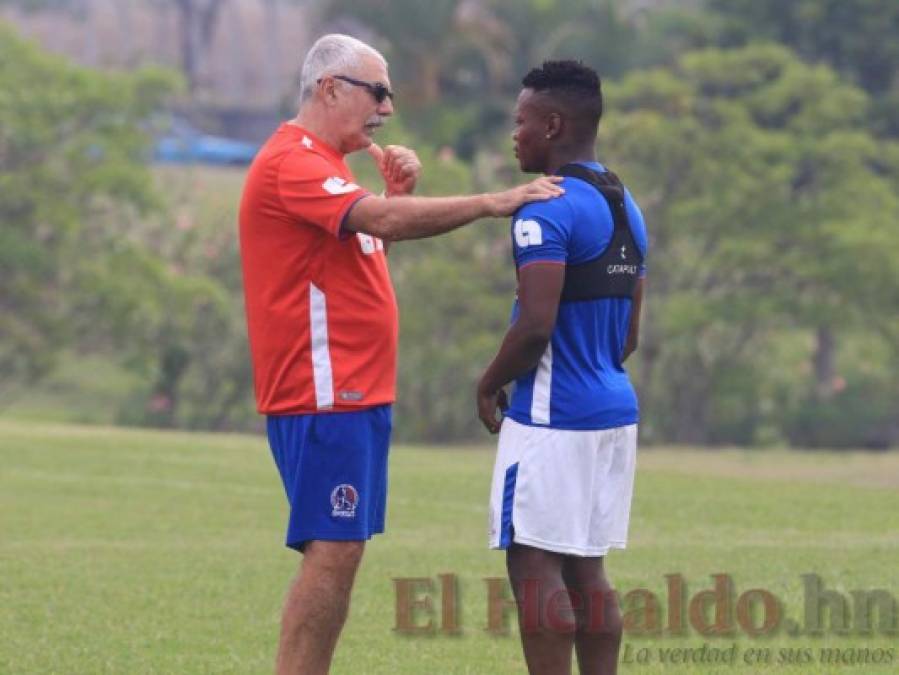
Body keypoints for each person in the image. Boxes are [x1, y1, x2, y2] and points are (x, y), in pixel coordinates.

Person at [238, 34, 563, 675]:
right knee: (333, 550)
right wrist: (493, 202)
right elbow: (380, 227)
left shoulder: (330, 165)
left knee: (344, 548)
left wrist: (391, 198)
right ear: (329, 88)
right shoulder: (293, 162)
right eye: (376, 92)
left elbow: (360, 248)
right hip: (325, 390)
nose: (387, 109)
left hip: (355, 392)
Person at [477, 60, 648, 675]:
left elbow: (535, 326)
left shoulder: (544, 207)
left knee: (533, 563)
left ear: (552, 125)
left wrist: (490, 380)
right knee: (586, 566)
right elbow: (629, 334)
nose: (514, 134)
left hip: (553, 414)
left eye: (520, 122)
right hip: (613, 410)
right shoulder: (625, 201)